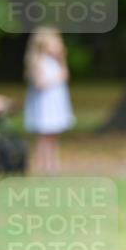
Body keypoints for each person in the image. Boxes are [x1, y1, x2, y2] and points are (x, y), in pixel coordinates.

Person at [23, 27, 75, 173]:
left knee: (53, 136)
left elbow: (65, 75)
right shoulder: (39, 61)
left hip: (55, 104)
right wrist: (56, 79)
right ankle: (42, 165)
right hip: (45, 105)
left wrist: (62, 59)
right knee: (44, 137)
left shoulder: (55, 62)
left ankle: (53, 163)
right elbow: (40, 83)